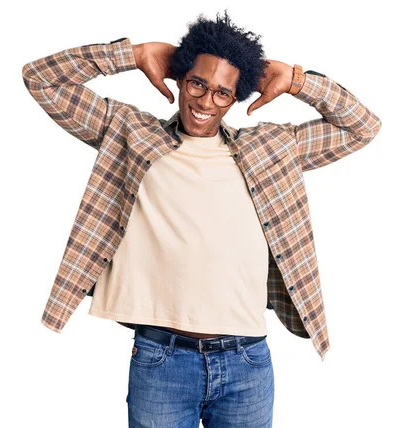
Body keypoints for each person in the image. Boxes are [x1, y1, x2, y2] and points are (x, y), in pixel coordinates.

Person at [22, 10, 381, 427]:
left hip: (248, 360)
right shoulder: (129, 132)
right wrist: (133, 54)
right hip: (162, 359)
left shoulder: (272, 148)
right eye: (197, 83)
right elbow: (41, 79)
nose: (206, 102)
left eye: (222, 93)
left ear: (236, 98)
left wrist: (298, 79)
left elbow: (362, 127)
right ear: (180, 79)